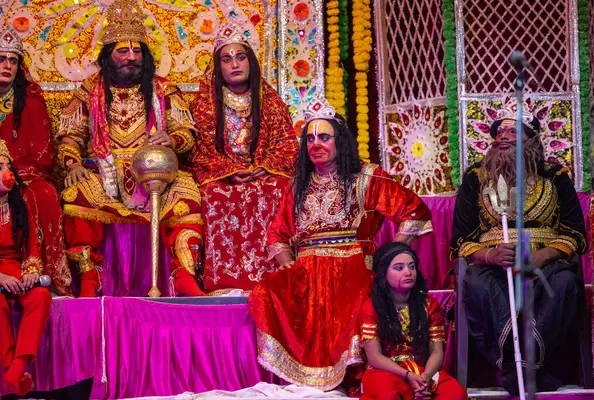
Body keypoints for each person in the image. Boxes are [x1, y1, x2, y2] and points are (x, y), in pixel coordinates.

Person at [248, 98, 432, 390]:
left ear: (340, 141)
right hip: (305, 272)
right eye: (309, 139)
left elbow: (414, 212)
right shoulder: (298, 185)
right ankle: (305, 379)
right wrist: (287, 265)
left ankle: (355, 378)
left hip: (353, 266)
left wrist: (390, 258)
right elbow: (277, 235)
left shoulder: (366, 177)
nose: (315, 144)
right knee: (265, 292)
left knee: (358, 291)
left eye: (323, 137)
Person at [57, 0, 204, 297]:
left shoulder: (163, 89)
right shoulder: (90, 90)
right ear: (108, 56)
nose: (131, 57)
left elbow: (187, 134)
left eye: (137, 51)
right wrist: (72, 163)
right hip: (105, 170)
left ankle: (183, 277)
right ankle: (90, 279)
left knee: (188, 194)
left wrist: (171, 141)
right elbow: (69, 135)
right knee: (76, 193)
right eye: (122, 51)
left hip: (157, 174)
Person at [451, 106, 587, 394]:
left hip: (546, 265)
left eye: (512, 131)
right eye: (498, 132)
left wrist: (540, 257)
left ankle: (522, 367)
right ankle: (525, 369)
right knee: (475, 282)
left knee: (564, 282)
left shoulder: (555, 175)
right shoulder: (476, 178)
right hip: (494, 267)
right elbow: (461, 241)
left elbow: (576, 235)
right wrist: (490, 255)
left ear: (531, 139)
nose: (502, 137)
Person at [191, 24, 298, 294]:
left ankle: (274, 278)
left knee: (276, 189)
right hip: (223, 177)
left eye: (241, 57)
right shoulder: (205, 103)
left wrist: (264, 167)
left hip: (263, 173)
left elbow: (286, 144)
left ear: (251, 62)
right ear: (218, 67)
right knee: (214, 194)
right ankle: (225, 283)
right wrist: (228, 170)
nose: (235, 64)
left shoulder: (270, 101)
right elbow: (200, 149)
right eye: (226, 59)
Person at [0, 28, 71, 295]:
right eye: (1, 59)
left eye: (13, 60)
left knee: (43, 193)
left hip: (22, 173)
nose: (7, 65)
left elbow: (43, 155)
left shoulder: (30, 99)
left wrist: (12, 175)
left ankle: (45, 277)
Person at [360, 242, 467, 400]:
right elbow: (374, 357)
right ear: (383, 273)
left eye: (411, 266)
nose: (408, 272)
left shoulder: (429, 304)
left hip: (423, 371)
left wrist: (424, 379)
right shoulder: (372, 306)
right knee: (389, 395)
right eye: (399, 268)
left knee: (455, 394)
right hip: (385, 371)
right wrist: (407, 375)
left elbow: (437, 352)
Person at [0, 139, 51, 396]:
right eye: (0, 166)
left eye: (7, 166)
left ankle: (16, 369)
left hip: (18, 271)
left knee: (41, 296)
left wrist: (31, 270)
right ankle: (13, 371)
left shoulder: (20, 202)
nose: (6, 173)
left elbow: (34, 243)